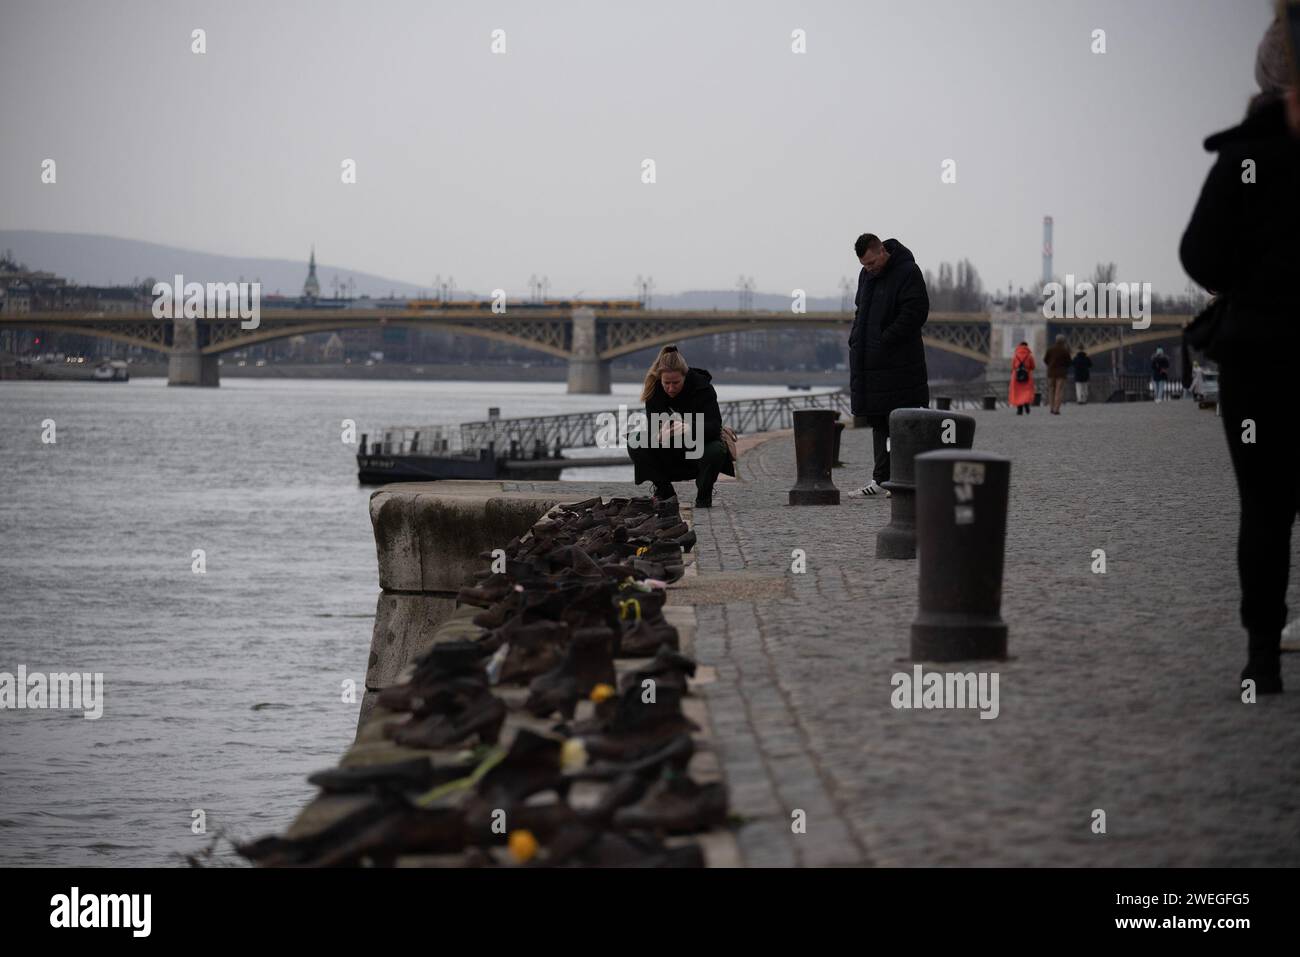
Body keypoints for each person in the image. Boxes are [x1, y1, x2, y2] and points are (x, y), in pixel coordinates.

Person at [1179, 16, 1300, 693]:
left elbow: (1198, 254)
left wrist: (1248, 282)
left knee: (1265, 506)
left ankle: (1261, 654)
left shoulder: (1243, 159)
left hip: (1259, 359)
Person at [847, 233, 930, 497]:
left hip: (900, 362)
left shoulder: (908, 271)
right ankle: (880, 479)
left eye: (871, 263)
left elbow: (916, 312)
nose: (869, 269)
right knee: (879, 421)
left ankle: (902, 479)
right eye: (864, 266)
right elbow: (861, 311)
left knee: (901, 423)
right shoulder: (866, 276)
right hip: (873, 363)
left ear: (881, 250)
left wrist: (885, 339)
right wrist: (856, 339)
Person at [627, 344, 734, 508]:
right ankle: (665, 492)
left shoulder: (703, 388)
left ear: (685, 377)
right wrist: (659, 433)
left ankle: (704, 497)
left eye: (676, 383)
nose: (670, 388)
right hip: (670, 449)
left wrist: (690, 427)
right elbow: (654, 425)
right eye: (666, 383)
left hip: (698, 448)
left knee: (716, 449)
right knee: (635, 440)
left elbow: (714, 426)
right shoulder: (654, 389)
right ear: (660, 379)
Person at [1042, 334, 1071, 414]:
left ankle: (1051, 408)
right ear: (1064, 341)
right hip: (1061, 373)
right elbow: (1069, 362)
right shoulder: (1065, 351)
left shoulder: (1050, 349)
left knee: (1051, 390)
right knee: (1059, 391)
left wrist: (1051, 365)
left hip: (1051, 372)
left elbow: (1045, 360)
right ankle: (1056, 409)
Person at [1009, 341, 1035, 415]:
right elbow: (1033, 366)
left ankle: (1019, 410)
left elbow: (1013, 366)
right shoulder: (1029, 356)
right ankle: (1026, 405)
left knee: (1018, 393)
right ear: (1027, 347)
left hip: (1016, 376)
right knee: (1026, 392)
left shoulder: (1015, 355)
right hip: (1027, 376)